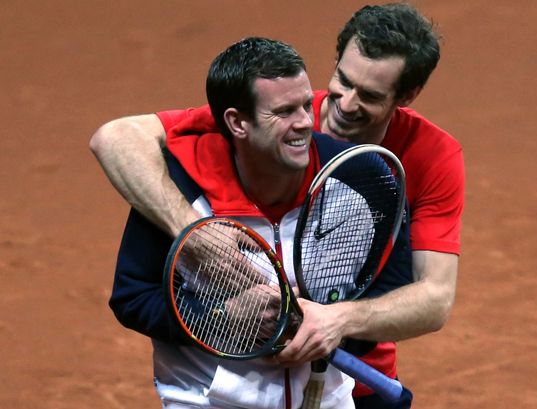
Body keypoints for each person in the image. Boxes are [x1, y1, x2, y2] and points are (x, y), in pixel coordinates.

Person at [91, 3, 463, 408]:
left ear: (406, 96)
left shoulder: (390, 173)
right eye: (342, 81)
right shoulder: (248, 125)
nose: (338, 106)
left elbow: (431, 299)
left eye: (370, 95)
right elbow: (115, 137)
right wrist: (193, 236)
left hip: (350, 370)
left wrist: (336, 321)